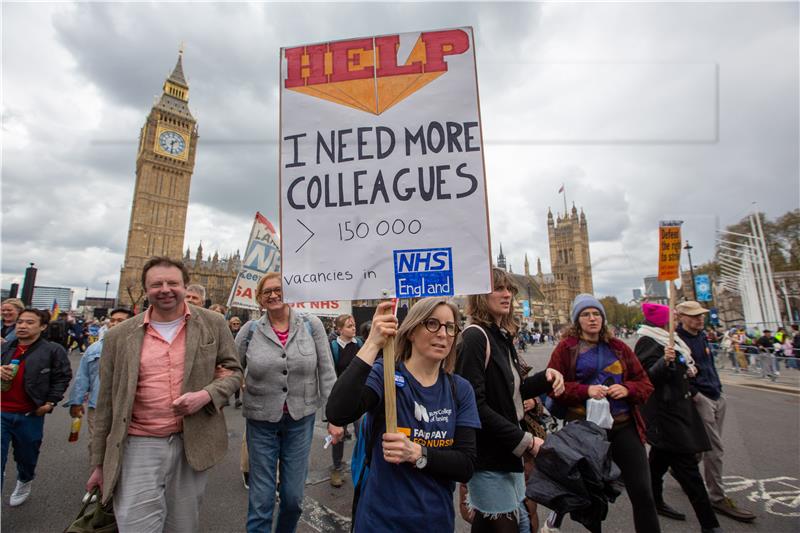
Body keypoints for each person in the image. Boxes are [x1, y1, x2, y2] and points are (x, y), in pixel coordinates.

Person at [86, 257, 243, 532]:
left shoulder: (213, 323)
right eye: (157, 284)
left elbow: (234, 372)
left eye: (173, 283)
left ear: (185, 286)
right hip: (138, 443)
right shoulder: (118, 336)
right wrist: (99, 463)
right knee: (135, 524)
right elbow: (106, 403)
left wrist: (206, 395)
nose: (165, 289)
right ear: (146, 289)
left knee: (182, 525)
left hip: (191, 440)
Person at [327, 299, 481, 532]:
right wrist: (371, 344)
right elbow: (338, 413)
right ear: (411, 331)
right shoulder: (386, 375)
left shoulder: (460, 389)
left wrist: (417, 453)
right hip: (380, 522)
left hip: (435, 522)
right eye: (432, 324)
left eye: (450, 327)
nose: (443, 334)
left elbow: (466, 465)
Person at [456, 268, 564, 533]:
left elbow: (509, 392)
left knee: (499, 524)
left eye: (510, 290)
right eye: (499, 289)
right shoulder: (474, 337)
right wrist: (526, 441)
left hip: (506, 453)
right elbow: (474, 406)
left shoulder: (501, 336)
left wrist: (545, 378)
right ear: (481, 294)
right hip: (489, 456)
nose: (507, 295)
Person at [236, 272, 341, 533]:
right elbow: (230, 366)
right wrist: (233, 383)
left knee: (293, 499)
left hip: (299, 420)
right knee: (261, 501)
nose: (273, 295)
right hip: (261, 421)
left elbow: (327, 371)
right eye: (267, 292)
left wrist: (335, 417)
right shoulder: (249, 331)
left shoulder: (311, 324)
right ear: (259, 299)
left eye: (278, 289)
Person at [547, 294, 659, 533]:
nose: (592, 318)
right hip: (585, 432)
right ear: (577, 320)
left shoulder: (619, 348)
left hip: (622, 427)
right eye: (586, 314)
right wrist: (586, 390)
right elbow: (555, 388)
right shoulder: (566, 349)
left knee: (643, 494)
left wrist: (627, 388)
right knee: (592, 500)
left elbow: (645, 384)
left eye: (596, 314)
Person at [635, 303, 722, 533]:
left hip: (678, 409)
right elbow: (646, 377)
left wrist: (689, 370)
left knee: (657, 463)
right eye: (671, 316)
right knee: (689, 470)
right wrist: (665, 362)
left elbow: (681, 367)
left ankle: (654, 499)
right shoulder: (648, 341)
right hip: (666, 414)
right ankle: (710, 525)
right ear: (662, 321)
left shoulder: (670, 340)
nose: (675, 319)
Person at [675, 301, 756, 523]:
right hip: (701, 398)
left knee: (701, 446)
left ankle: (682, 469)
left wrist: (719, 392)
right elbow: (679, 374)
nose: (699, 319)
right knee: (714, 448)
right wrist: (695, 395)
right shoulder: (676, 342)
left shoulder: (701, 336)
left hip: (716, 394)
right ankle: (717, 497)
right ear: (680, 316)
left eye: (701, 315)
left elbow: (708, 366)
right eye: (693, 316)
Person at [1, 308, 72, 506]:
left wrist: (49, 403)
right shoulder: (5, 348)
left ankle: (25, 479)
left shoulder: (53, 350)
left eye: (29, 322)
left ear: (43, 326)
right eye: (20, 322)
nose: (23, 326)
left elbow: (62, 377)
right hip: (1, 412)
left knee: (27, 455)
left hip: (29, 413)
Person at [66, 308, 134, 459]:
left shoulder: (140, 348)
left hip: (128, 406)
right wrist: (76, 402)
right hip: (98, 405)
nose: (115, 324)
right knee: (97, 444)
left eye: (120, 321)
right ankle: (97, 474)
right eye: (113, 320)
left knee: (124, 445)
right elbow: (82, 378)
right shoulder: (95, 348)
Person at [328, 313, 363, 488]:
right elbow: (331, 373)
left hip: (359, 397)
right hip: (341, 398)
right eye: (349, 326)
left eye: (354, 325)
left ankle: (363, 466)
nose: (353, 328)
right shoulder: (334, 347)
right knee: (338, 436)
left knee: (362, 433)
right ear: (339, 329)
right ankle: (336, 469)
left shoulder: (360, 344)